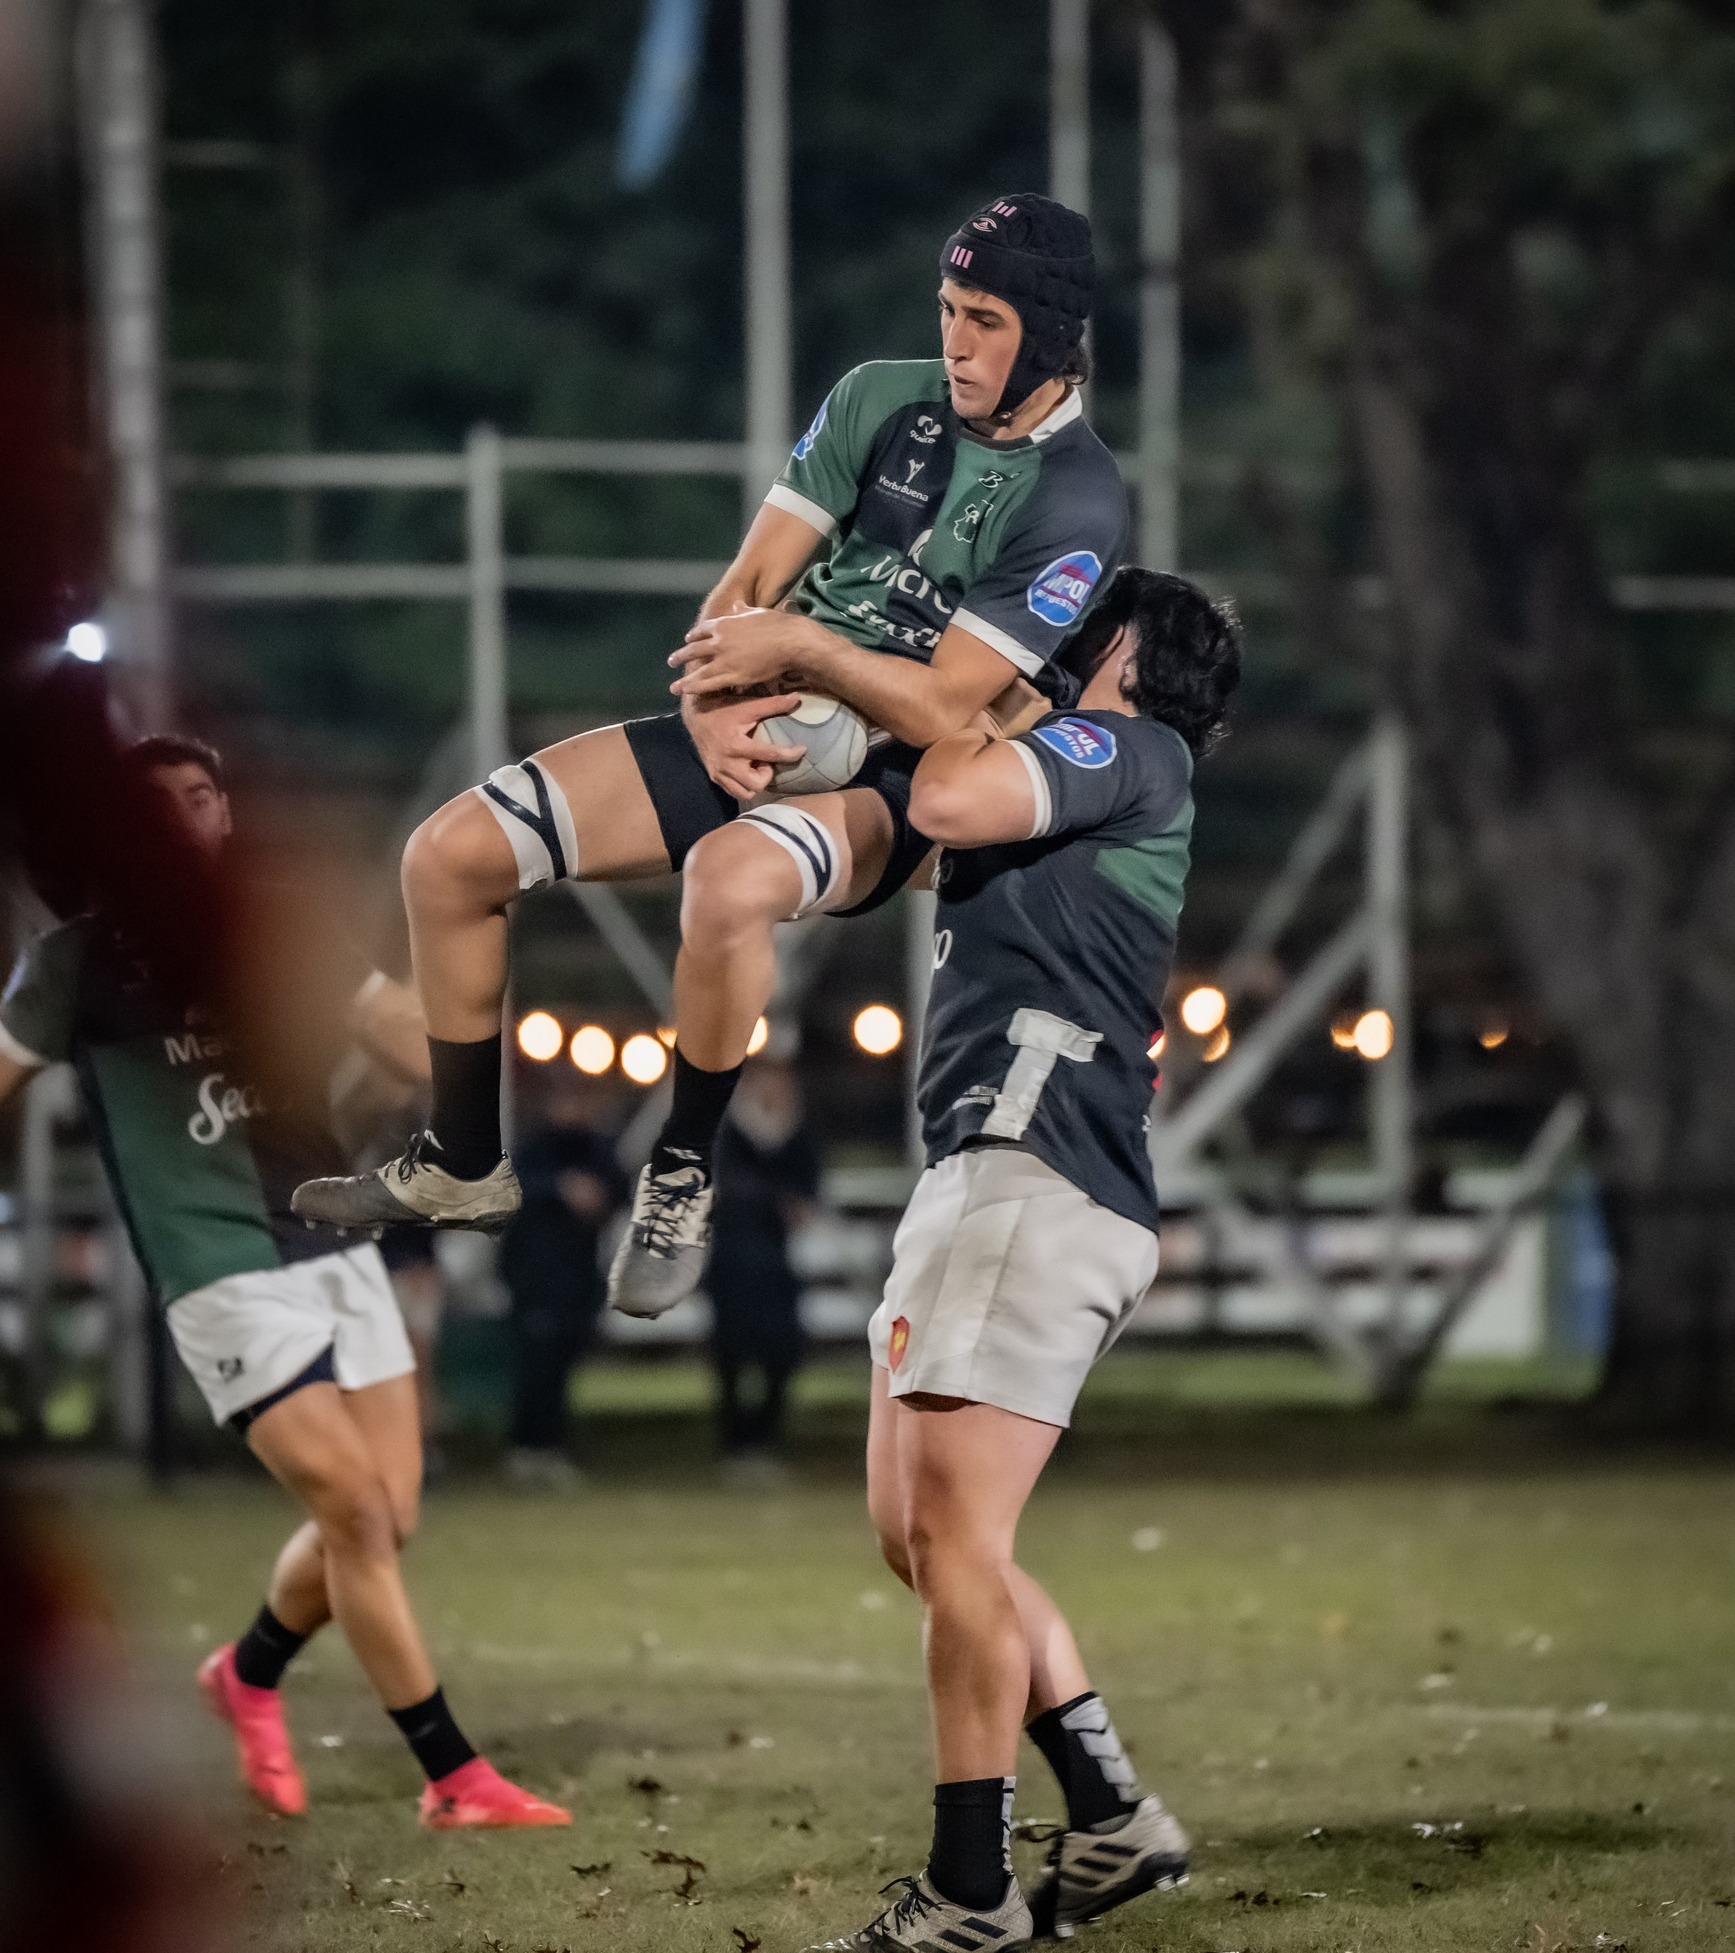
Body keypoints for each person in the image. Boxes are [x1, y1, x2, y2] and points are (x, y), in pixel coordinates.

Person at [291, 192, 1128, 1326]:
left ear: (1049, 332)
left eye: (984, 319)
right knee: (449, 856)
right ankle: (462, 1158)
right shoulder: (880, 397)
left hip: (900, 777)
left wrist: (802, 646)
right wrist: (709, 702)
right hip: (776, 705)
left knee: (726, 880)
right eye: (946, 308)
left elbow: (940, 707)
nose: (955, 341)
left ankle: (680, 1169)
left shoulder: (1076, 495)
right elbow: (744, 589)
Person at [0, 736, 568, 1830]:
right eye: (153, 803)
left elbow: (405, 1044)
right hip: (216, 1264)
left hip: (332, 1239)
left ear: (222, 816)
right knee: (352, 1505)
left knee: (385, 1514)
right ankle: (454, 1776)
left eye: (201, 794)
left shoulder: (263, 931)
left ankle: (248, 1671)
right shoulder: (71, 962)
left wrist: (452, 978)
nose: (181, 816)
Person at [811, 568, 1241, 1953]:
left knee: (958, 1548)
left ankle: (970, 1890)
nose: (1046, 653)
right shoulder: (1091, 760)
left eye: (1073, 633)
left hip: (1029, 1173)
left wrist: (952, 685)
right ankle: (1110, 1810)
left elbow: (941, 799)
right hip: (1001, 1179)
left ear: (1120, 652)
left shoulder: (1126, 744)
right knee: (920, 1539)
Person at [498, 1070, 627, 1486]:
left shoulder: (597, 1148)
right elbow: (513, 1193)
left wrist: (596, 1196)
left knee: (561, 1363)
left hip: (577, 1274)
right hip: (535, 1273)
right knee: (535, 1362)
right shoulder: (532, 1148)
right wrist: (560, 1190)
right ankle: (527, 1446)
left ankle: (551, 1446)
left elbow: (619, 1188)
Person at [703, 1054, 820, 1477]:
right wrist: (774, 1201)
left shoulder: (797, 1132)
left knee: (781, 1351)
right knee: (731, 1354)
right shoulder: (727, 1130)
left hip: (776, 1263)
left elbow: (807, 1197)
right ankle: (735, 1443)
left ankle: (765, 1439)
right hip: (733, 1259)